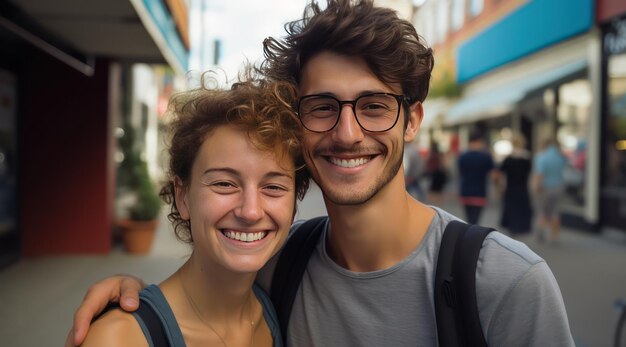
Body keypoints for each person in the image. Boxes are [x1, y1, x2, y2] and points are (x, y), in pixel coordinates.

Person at [67, 1, 574, 346]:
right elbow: (198, 293)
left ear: (413, 119)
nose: (348, 132)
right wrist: (132, 305)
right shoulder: (279, 268)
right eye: (323, 106)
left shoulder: (506, 283)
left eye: (374, 106)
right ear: (299, 123)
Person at [79, 73, 310, 346]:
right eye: (224, 184)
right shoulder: (119, 338)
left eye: (273, 187)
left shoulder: (278, 310)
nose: (251, 212)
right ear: (183, 196)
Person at [532, 137, 568, 243]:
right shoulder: (560, 156)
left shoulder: (541, 156)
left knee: (542, 210)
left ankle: (541, 232)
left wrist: (535, 187)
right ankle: (554, 236)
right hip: (559, 186)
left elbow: (539, 173)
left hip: (545, 187)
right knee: (555, 212)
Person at [496, 133, 533, 236]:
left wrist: (500, 186)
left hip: (511, 187)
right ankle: (520, 227)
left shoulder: (508, 158)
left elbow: (501, 173)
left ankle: (512, 227)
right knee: (521, 208)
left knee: (511, 208)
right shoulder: (527, 158)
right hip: (522, 186)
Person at [457, 131, 495, 225]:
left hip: (465, 191)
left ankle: (468, 236)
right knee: (475, 220)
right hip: (479, 192)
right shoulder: (486, 157)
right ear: (480, 142)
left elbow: (460, 173)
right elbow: (493, 175)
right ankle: (472, 237)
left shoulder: (463, 156)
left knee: (469, 219)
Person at [424, 141, 447, 205]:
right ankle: (438, 204)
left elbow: (427, 163)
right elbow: (443, 164)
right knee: (438, 190)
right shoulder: (439, 154)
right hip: (438, 172)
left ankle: (433, 204)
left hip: (433, 173)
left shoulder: (431, 155)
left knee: (432, 189)